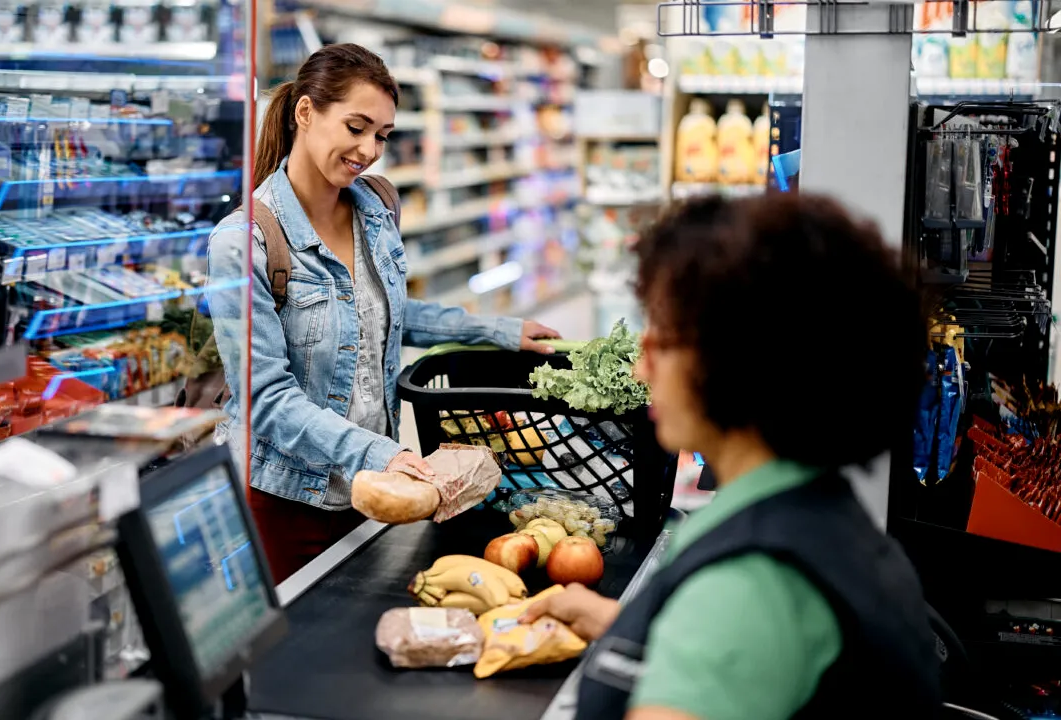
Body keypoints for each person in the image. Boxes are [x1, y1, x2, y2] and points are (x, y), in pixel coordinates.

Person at [523, 194, 941, 719]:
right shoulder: (814, 515)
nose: (640, 371)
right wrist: (627, 625)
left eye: (663, 342)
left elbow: (744, 625)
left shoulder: (752, 582)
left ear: (740, 363)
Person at [207, 44, 559, 583]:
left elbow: (388, 312)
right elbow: (265, 401)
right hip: (282, 500)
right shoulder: (246, 241)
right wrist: (382, 453)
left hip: (371, 489)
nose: (369, 149)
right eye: (356, 127)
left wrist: (502, 331)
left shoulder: (375, 207)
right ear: (305, 112)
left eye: (382, 135)